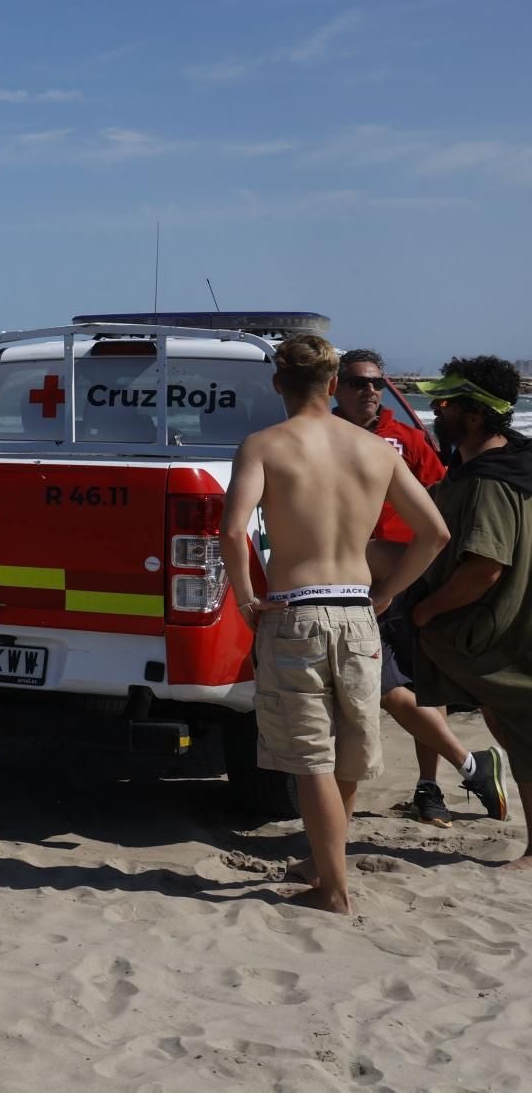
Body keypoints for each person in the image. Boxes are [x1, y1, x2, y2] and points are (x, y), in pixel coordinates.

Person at [221, 334, 449, 914]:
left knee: (309, 759)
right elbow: (435, 534)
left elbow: (232, 531)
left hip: (297, 609)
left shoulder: (265, 445)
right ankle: (326, 864)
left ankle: (333, 890)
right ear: (332, 386)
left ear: (278, 384)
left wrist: (249, 599)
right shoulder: (378, 451)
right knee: (347, 750)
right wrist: (389, 593)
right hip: (356, 609)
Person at [333, 348, 506, 827]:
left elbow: (441, 498)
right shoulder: (323, 436)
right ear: (336, 388)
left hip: (406, 577)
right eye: (358, 383)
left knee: (421, 686)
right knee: (387, 690)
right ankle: (470, 766)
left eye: (377, 384)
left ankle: (428, 787)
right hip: (346, 581)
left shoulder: (404, 438)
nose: (370, 391)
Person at [408, 356, 532, 868]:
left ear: (475, 415)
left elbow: (485, 567)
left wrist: (425, 610)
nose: (434, 412)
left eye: (444, 403)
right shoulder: (516, 462)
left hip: (503, 637)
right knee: (511, 731)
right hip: (509, 633)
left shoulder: (490, 481)